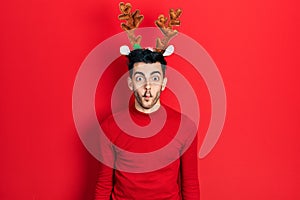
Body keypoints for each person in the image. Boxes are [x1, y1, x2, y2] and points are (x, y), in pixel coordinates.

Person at [94, 49, 200, 200]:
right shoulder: (110, 127)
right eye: (139, 79)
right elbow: (103, 185)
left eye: (155, 78)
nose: (148, 86)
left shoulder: (185, 127)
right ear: (130, 83)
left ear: (164, 83)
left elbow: (190, 185)